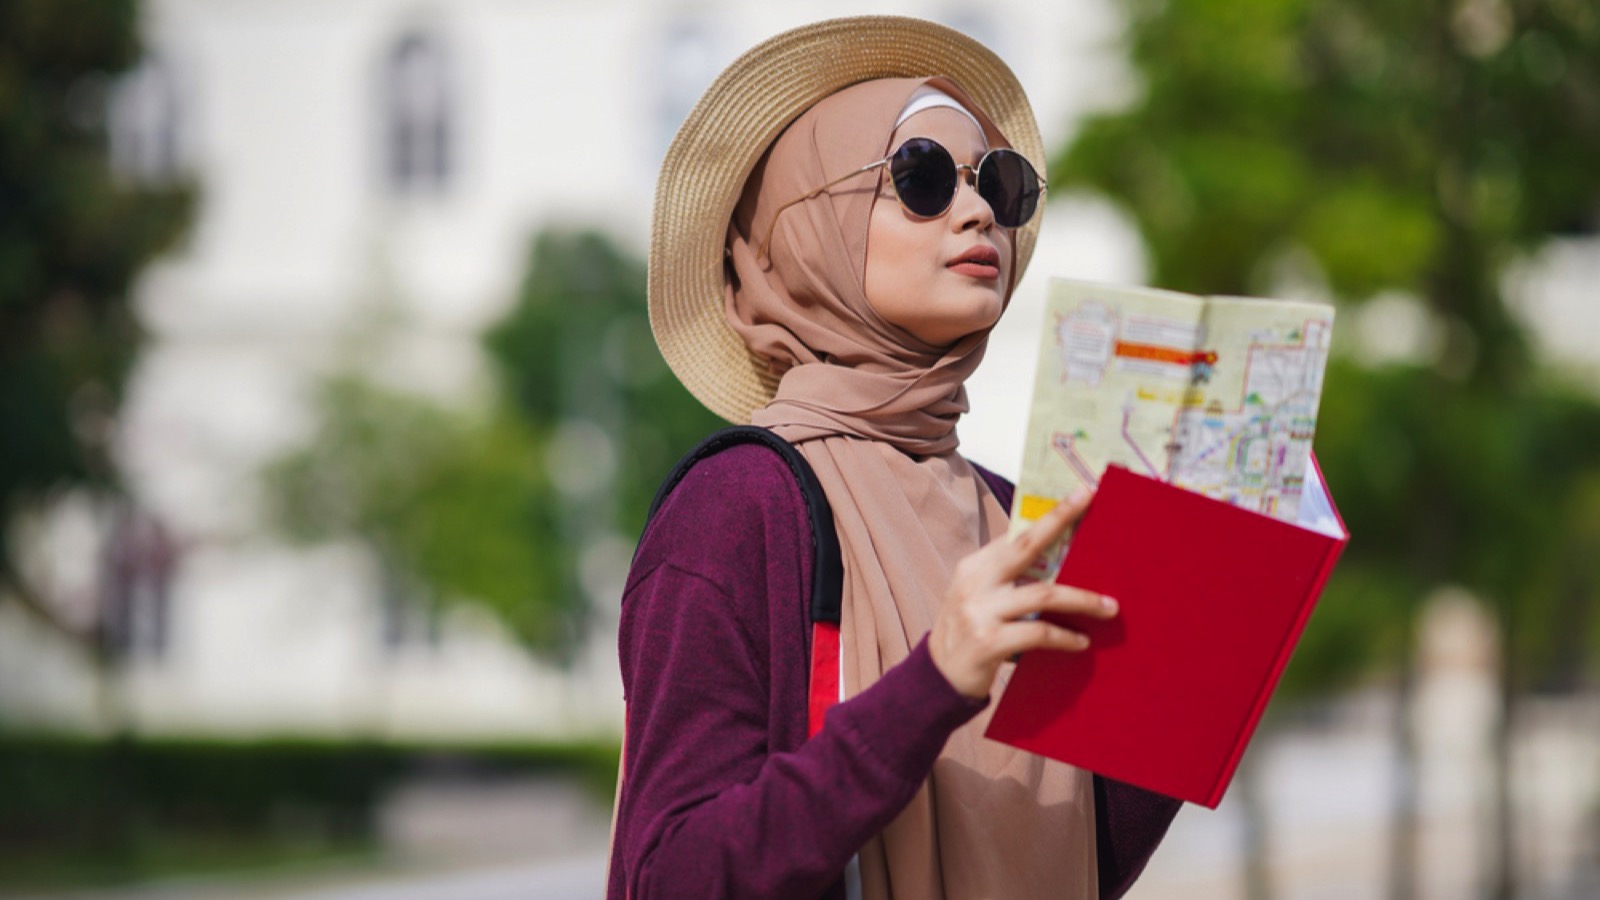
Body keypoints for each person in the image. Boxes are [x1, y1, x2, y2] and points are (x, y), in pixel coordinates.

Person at [610, 17, 1181, 899]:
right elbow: (669, 876)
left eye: (1000, 182)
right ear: (808, 233)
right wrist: (934, 683)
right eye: (919, 179)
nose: (979, 210)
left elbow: (1070, 862)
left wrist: (1203, 652)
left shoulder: (1012, 514)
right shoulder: (738, 506)